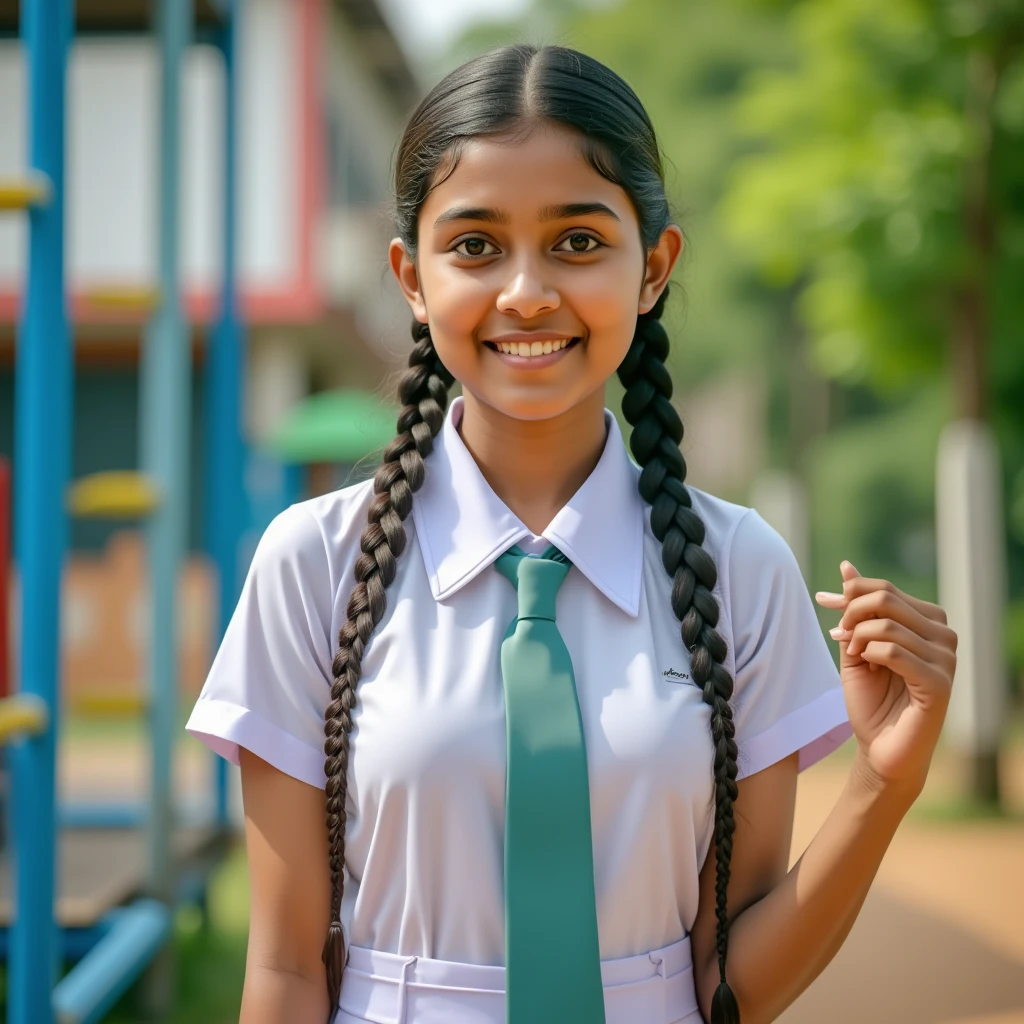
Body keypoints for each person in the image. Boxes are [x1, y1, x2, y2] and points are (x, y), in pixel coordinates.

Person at [185, 44, 958, 1024]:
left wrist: (882, 786)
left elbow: (732, 987)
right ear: (410, 278)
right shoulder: (312, 565)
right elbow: (287, 971)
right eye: (472, 246)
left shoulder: (739, 569)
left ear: (655, 266)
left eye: (578, 242)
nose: (526, 291)